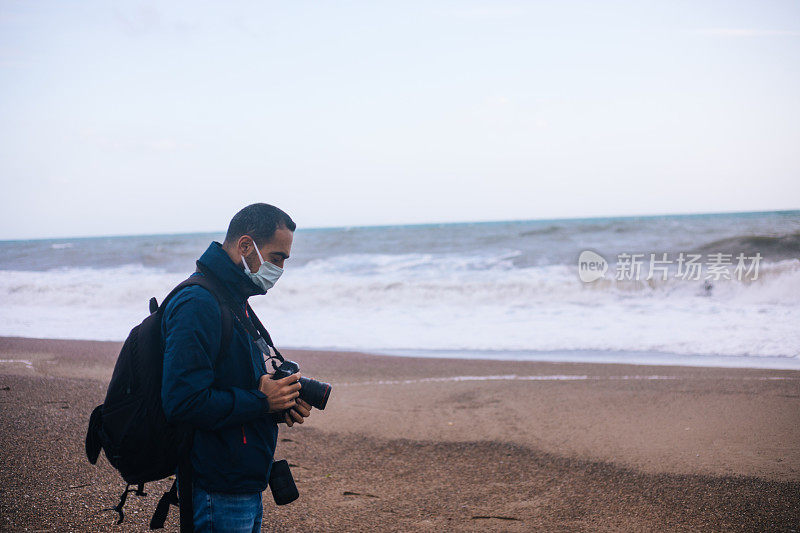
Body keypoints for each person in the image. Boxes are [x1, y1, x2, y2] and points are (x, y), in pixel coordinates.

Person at [161, 203, 311, 532]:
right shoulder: (198, 303)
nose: (281, 268)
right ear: (246, 246)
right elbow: (182, 401)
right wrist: (262, 401)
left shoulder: (234, 300)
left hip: (241, 480)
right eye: (276, 257)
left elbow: (239, 381)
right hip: (217, 485)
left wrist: (280, 402)